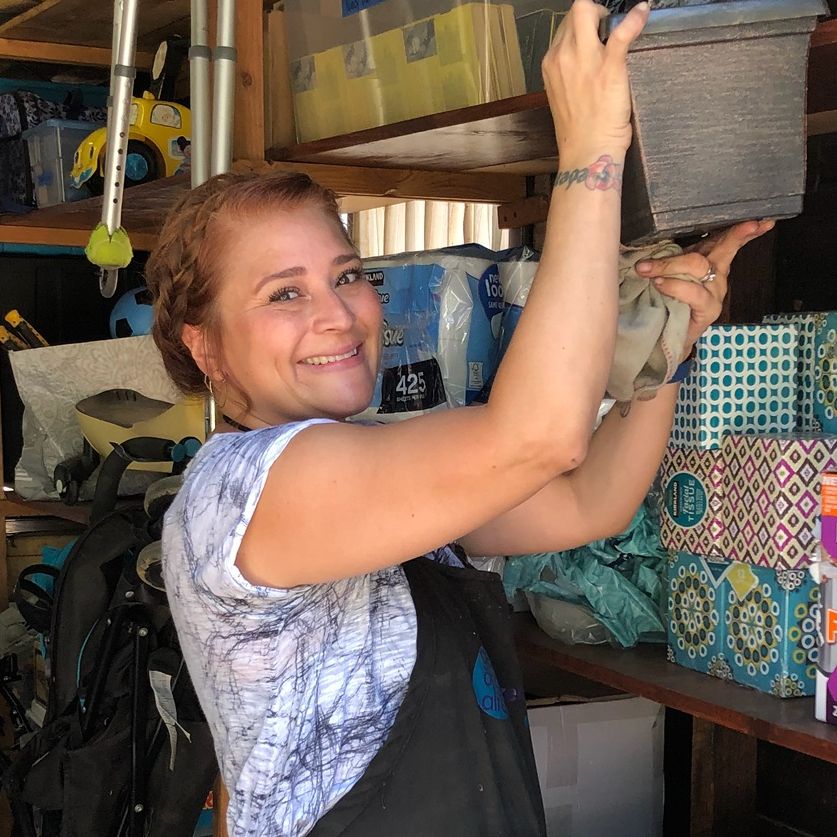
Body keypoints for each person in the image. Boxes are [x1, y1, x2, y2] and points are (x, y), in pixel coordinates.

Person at [145, 2, 773, 834]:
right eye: (283, 293)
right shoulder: (246, 490)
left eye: (347, 274)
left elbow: (590, 501)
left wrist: (664, 351)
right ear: (207, 348)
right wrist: (590, 152)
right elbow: (538, 436)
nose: (337, 312)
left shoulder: (372, 460)